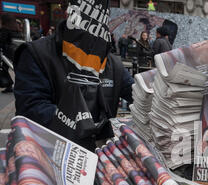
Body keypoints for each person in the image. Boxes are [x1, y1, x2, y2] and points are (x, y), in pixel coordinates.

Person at [13, 0, 134, 151]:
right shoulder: (37, 54)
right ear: (68, 11)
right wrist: (82, 124)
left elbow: (136, 92)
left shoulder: (112, 63)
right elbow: (31, 108)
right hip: (50, 151)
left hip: (100, 154)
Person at [0, 14, 20, 93]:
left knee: (5, 68)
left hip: (7, 53)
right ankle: (9, 85)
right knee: (8, 68)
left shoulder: (5, 29)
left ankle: (9, 84)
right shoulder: (16, 29)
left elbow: (2, 41)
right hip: (15, 52)